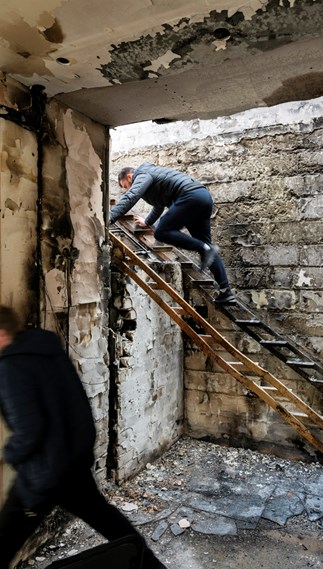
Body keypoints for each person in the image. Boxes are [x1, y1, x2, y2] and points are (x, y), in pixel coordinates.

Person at [0, 305, 166, 569]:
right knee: (108, 521)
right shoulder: (48, 349)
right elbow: (79, 406)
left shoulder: (10, 366)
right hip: (71, 464)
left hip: (42, 474)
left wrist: (9, 454)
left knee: (4, 540)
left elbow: (29, 431)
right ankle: (153, 568)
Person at [110, 162, 235, 304]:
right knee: (207, 248)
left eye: (126, 185)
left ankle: (204, 248)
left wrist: (109, 218)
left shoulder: (142, 174)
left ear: (129, 176)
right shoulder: (154, 178)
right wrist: (148, 222)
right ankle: (226, 292)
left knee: (162, 232)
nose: (128, 189)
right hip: (203, 197)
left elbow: (131, 196)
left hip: (190, 196)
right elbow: (159, 204)